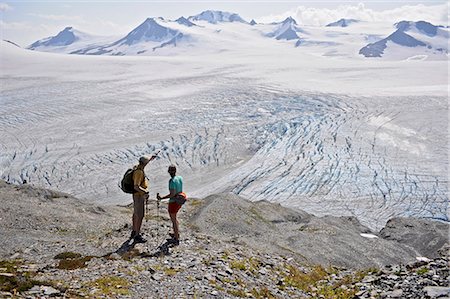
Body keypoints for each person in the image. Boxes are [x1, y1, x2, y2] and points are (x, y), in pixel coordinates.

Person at [131, 155, 156, 243]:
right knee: (140, 215)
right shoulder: (139, 172)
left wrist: (151, 158)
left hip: (136, 195)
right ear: (144, 163)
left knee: (135, 213)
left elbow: (144, 162)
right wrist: (145, 192)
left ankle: (134, 231)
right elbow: (136, 186)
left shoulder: (137, 167)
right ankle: (137, 235)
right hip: (139, 195)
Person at [157, 165, 183, 246]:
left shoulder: (172, 181)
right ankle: (176, 234)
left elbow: (172, 194)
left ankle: (176, 238)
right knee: (175, 218)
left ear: (169, 171)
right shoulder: (179, 178)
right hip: (179, 200)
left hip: (173, 202)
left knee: (173, 220)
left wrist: (161, 198)